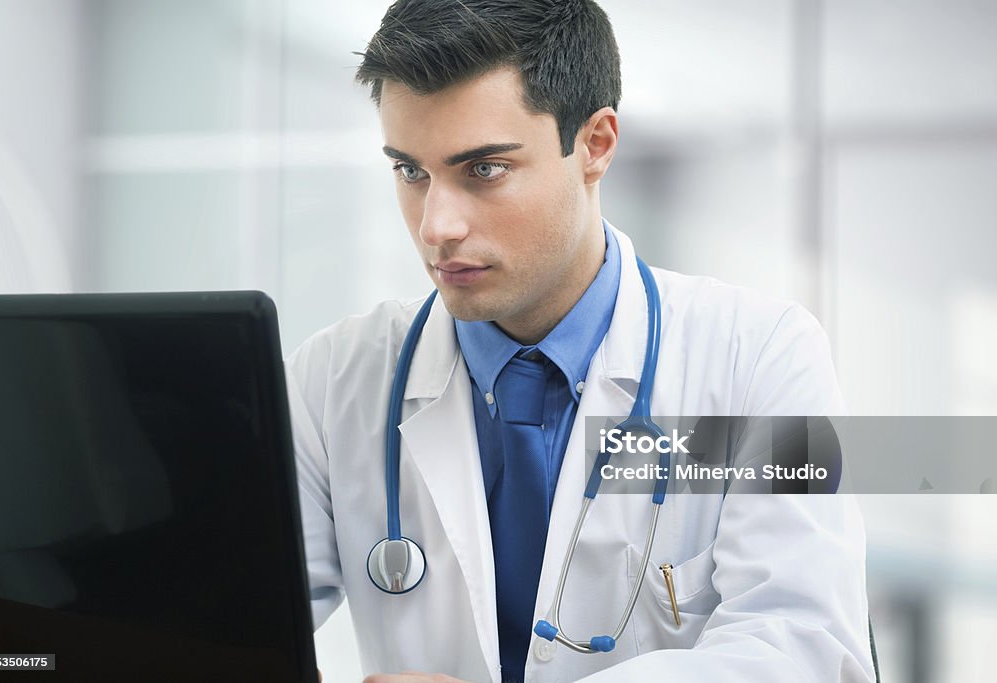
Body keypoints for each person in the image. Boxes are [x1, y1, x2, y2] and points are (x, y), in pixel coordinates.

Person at [286, 1, 874, 681]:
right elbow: (228, 621)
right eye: (411, 172)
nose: (436, 227)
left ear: (595, 144)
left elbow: (804, 647)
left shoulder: (764, 356)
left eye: (483, 170)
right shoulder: (332, 380)